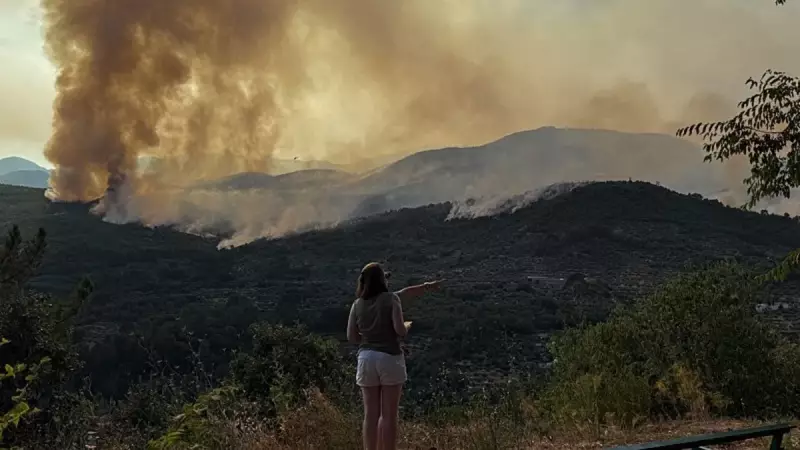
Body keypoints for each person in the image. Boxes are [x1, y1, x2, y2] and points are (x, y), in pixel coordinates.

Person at [347, 262, 443, 450]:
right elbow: (400, 330)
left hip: (366, 359)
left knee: (370, 415)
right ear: (382, 280)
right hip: (389, 357)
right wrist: (406, 326)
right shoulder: (391, 299)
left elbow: (352, 337)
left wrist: (370, 335)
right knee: (389, 415)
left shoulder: (357, 304)